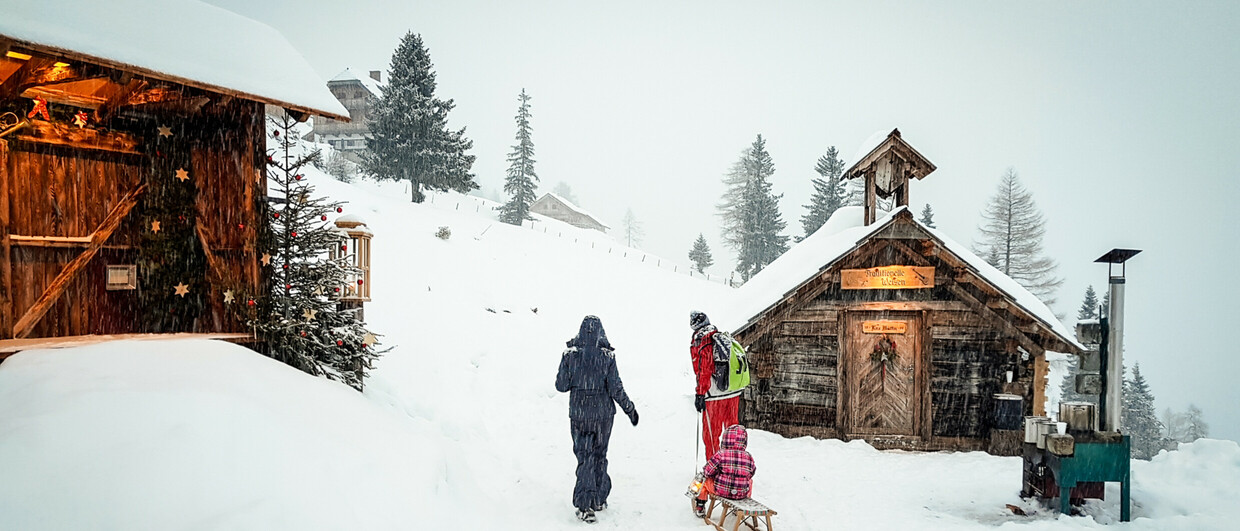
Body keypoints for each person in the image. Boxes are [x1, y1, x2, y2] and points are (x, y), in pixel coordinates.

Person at [555, 315, 639, 524]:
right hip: (603, 417)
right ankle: (599, 499)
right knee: (600, 455)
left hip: (580, 416)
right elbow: (616, 388)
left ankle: (585, 506)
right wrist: (630, 409)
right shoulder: (607, 357)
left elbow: (561, 386)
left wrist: (570, 367)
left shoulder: (570, 355)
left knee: (585, 457)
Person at [690, 310, 740, 459]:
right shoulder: (722, 338)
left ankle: (714, 469)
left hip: (714, 396)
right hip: (732, 392)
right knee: (733, 434)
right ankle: (735, 468)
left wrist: (700, 393)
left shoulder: (703, 341)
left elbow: (703, 370)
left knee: (711, 435)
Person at [694, 424, 757, 517]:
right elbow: (752, 472)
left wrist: (715, 475)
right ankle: (743, 503)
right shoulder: (748, 456)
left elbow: (707, 471)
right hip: (741, 493)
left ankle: (700, 505)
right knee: (750, 481)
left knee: (703, 480)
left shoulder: (721, 454)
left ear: (725, 439)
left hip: (721, 490)